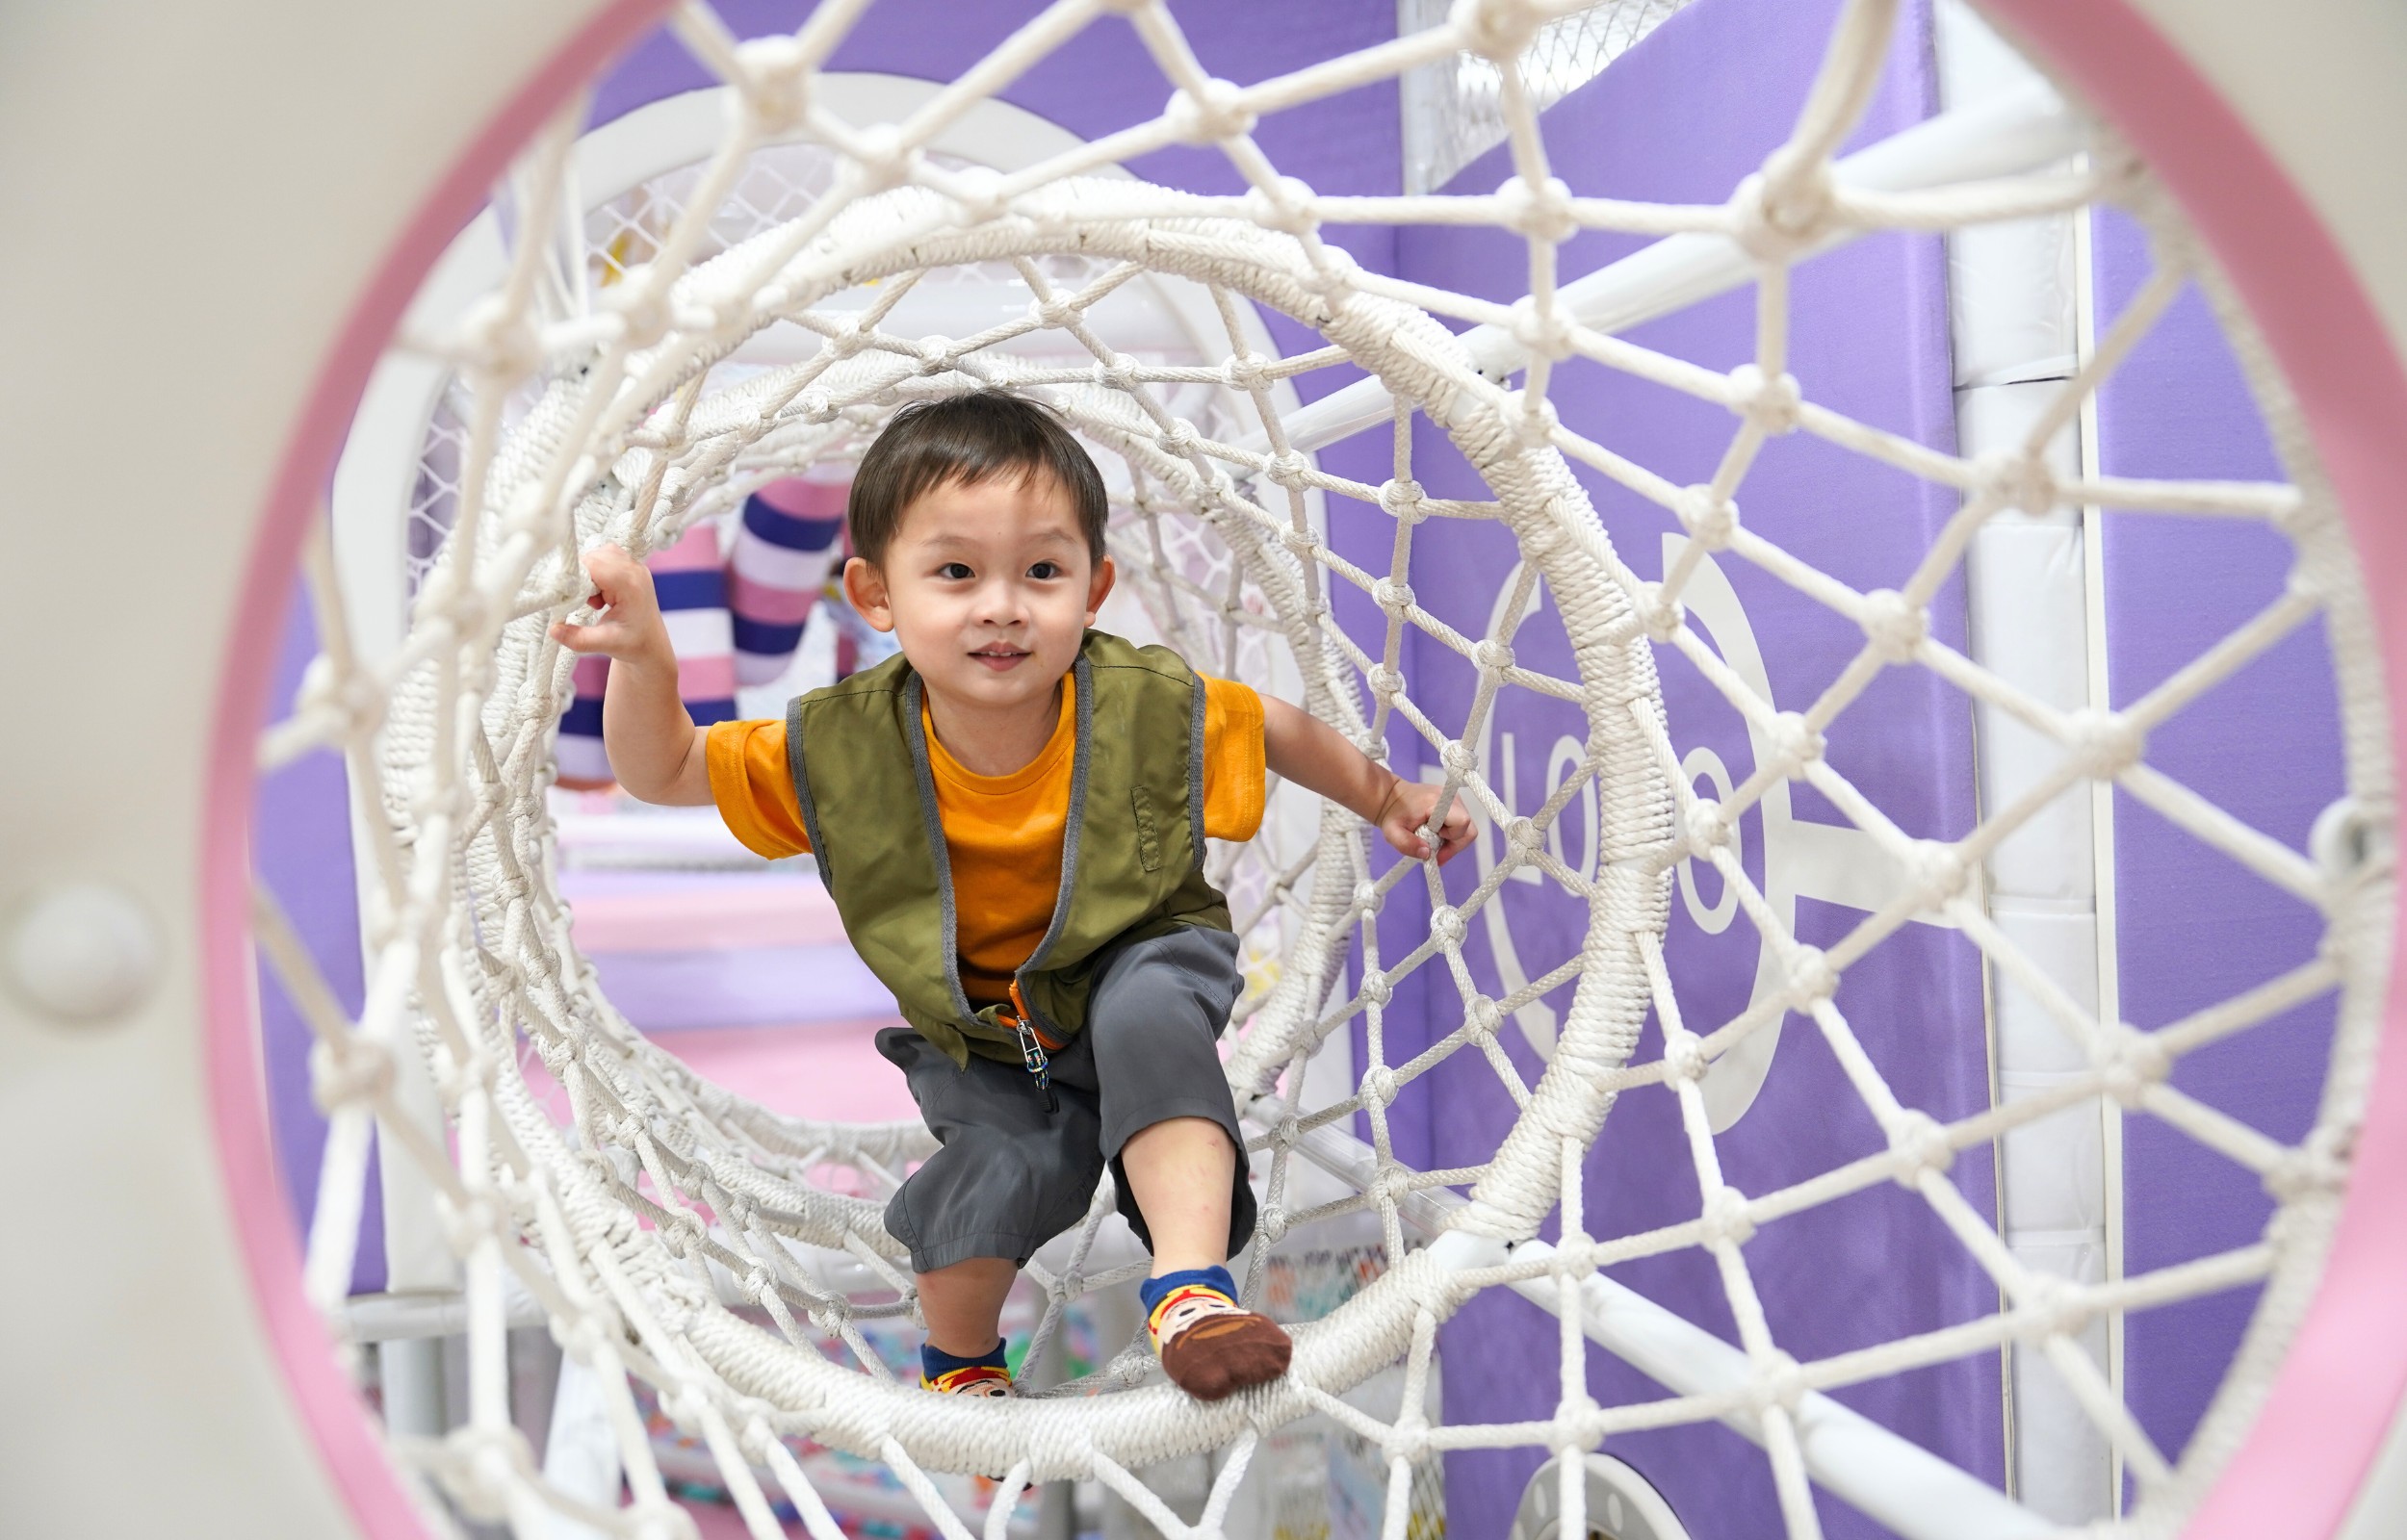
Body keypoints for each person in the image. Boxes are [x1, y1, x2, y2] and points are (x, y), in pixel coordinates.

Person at [551, 391, 1471, 1403]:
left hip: (1140, 945)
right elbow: (666, 767)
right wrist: (645, 653)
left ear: (1093, 587)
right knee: (993, 1173)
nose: (1001, 604)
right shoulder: (843, 746)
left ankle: (1193, 1289)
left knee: (1151, 1023)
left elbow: (1275, 727)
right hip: (985, 1032)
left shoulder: (1144, 704)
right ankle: (959, 1364)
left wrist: (1386, 795)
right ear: (874, 594)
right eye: (955, 572)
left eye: (1042, 571)